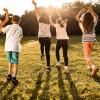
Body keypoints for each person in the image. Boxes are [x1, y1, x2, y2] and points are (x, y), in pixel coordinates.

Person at [0, 14, 23, 86]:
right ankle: (14, 77)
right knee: (15, 62)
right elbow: (21, 38)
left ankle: (9, 75)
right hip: (15, 47)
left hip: (8, 47)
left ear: (12, 20)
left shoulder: (8, 26)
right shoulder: (20, 28)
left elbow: (1, 31)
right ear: (19, 21)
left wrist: (1, 24)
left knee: (10, 61)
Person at [76, 6, 99, 76]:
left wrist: (82, 10)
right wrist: (91, 10)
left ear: (84, 17)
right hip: (92, 40)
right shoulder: (93, 22)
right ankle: (89, 66)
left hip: (85, 40)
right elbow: (97, 17)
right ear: (91, 17)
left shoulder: (83, 22)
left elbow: (76, 17)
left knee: (86, 55)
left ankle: (93, 67)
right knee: (88, 54)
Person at [33, 3, 51, 71]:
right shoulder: (49, 22)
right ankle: (48, 67)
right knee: (48, 52)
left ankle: (42, 54)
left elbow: (37, 12)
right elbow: (49, 14)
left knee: (41, 46)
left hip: (41, 36)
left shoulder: (39, 20)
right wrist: (50, 8)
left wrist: (35, 5)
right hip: (48, 37)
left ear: (41, 16)